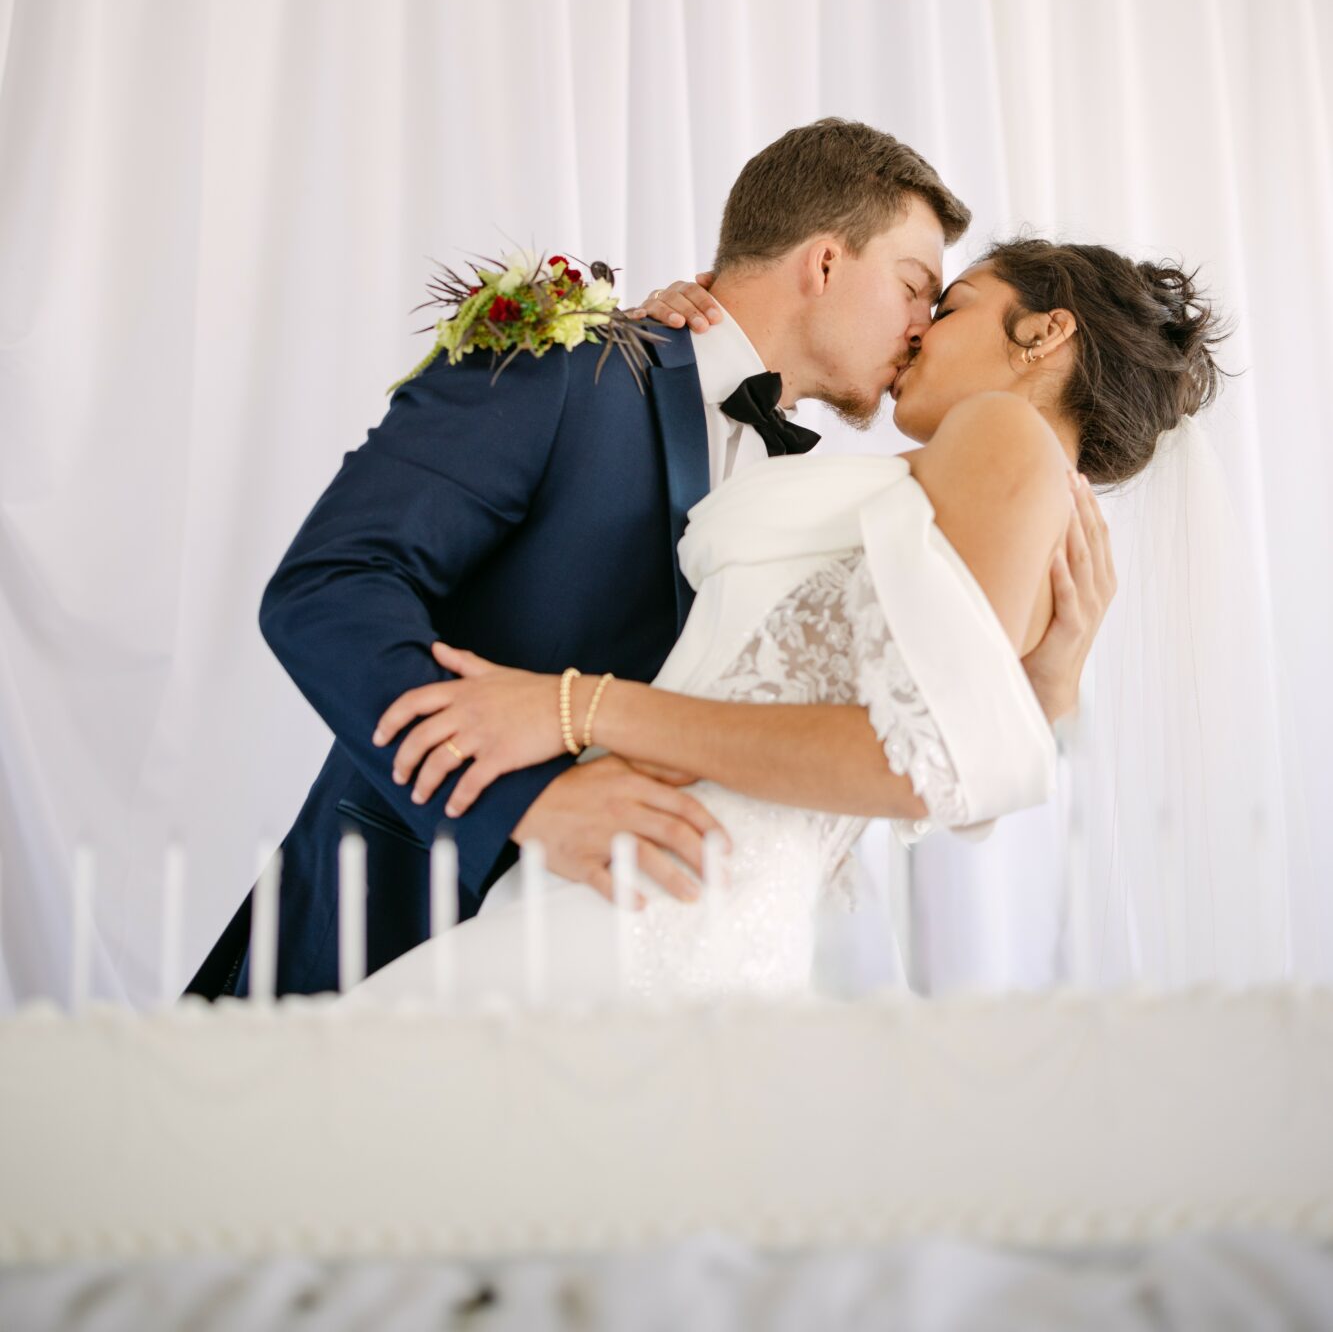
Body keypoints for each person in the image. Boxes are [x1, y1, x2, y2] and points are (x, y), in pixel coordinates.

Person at [187, 118, 1110, 999]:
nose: (921, 325)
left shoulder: (819, 487)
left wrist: (1046, 685)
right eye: (915, 285)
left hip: (667, 964)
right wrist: (525, 804)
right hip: (402, 917)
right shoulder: (567, 368)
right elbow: (327, 588)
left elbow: (900, 747)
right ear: (824, 262)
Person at [351, 239, 1217, 1005]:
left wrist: (577, 707)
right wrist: (692, 353)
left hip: (661, 912)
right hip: (679, 903)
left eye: (949, 306)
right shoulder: (997, 496)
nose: (917, 330)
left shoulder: (1003, 433)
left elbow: (920, 768)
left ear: (1043, 333)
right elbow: (962, 762)